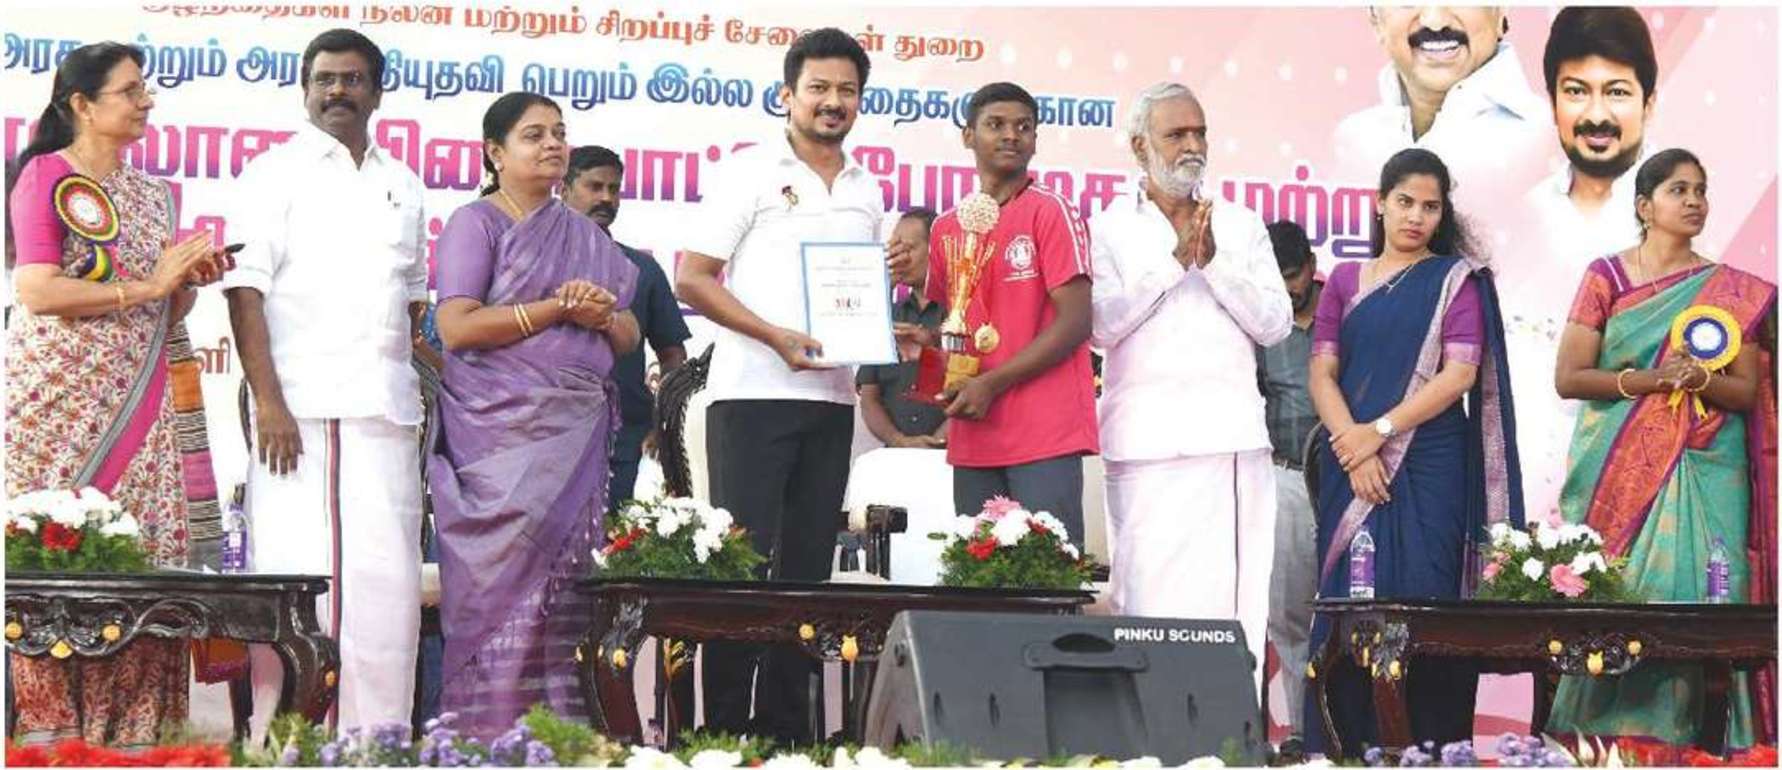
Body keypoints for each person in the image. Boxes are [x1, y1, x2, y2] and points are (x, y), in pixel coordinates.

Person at [5, 41, 229, 746]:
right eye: (130, 91)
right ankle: (51, 744)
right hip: (54, 407)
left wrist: (185, 284)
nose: (146, 101)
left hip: (142, 404)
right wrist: (151, 284)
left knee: (140, 568)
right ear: (82, 104)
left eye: (145, 88)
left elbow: (163, 308)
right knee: (54, 565)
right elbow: (39, 291)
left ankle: (134, 744)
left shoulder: (155, 195)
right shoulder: (44, 175)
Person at [673, 28, 885, 744]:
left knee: (805, 576)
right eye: (819, 88)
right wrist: (773, 336)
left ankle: (791, 737)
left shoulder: (866, 187)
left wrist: (886, 334)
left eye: (847, 90)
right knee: (742, 572)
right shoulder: (749, 171)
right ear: (787, 94)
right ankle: (724, 736)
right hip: (752, 398)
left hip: (831, 404)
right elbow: (693, 278)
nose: (833, 102)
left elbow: (853, 298)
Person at [223, 28, 429, 734]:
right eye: (325, 79)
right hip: (302, 418)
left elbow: (412, 302)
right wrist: (269, 402)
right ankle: (293, 745)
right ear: (305, 90)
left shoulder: (403, 183)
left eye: (352, 79)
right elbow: (243, 291)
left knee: (388, 595)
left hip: (387, 417)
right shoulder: (272, 174)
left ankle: (379, 744)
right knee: (301, 588)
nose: (338, 90)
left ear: (377, 92)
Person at [1546, 149, 1775, 757]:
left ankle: (1711, 745)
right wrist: (1652, 381)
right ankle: (1611, 748)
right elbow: (1570, 376)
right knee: (1626, 599)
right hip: (1620, 468)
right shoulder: (1607, 277)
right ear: (1645, 206)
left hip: (1709, 464)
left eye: (1701, 190)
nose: (1695, 201)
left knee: (1707, 595)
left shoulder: (1732, 291)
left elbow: (1745, 392)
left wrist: (1699, 380)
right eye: (1679, 190)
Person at [429, 92, 641, 740]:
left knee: (566, 595)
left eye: (558, 133)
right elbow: (456, 327)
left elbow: (627, 334)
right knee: (496, 593)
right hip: (498, 443)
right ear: (495, 153)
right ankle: (485, 738)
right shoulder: (476, 223)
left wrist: (601, 314)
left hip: (572, 444)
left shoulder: (585, 236)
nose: (552, 144)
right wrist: (556, 308)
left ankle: (558, 738)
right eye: (533, 135)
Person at [1302, 148, 1524, 755]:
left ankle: (1431, 750)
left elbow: (1458, 375)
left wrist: (1378, 431)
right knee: (1352, 602)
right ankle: (1344, 750)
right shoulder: (1343, 281)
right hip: (1351, 462)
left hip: (1430, 465)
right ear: (1380, 203)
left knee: (1427, 600)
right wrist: (1354, 446)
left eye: (1430, 206)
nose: (1416, 217)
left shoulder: (1455, 280)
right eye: (1405, 202)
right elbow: (1322, 372)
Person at [1089, 81, 1292, 697]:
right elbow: (1098, 326)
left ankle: (1225, 732)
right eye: (1176, 134)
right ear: (1139, 146)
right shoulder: (1106, 227)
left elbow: (1276, 323)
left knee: (1227, 616)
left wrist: (1215, 263)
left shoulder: (1240, 224)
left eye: (1199, 132)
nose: (1192, 145)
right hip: (1142, 445)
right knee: (1142, 603)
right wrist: (1173, 264)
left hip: (1225, 441)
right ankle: (1145, 735)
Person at [902, 82, 1097, 547]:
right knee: (977, 575)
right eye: (996, 124)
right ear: (968, 136)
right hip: (976, 433)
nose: (1011, 135)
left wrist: (991, 383)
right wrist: (929, 351)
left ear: (1035, 140)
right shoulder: (947, 227)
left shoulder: (1051, 211)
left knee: (1047, 573)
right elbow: (958, 327)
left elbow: (1076, 322)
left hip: (1043, 432)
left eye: (1023, 127)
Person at [1509, 8, 1660, 523]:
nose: (1596, 115)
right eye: (1576, 91)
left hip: (1641, 482)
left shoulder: (1679, 222)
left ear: (1649, 103)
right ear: (1552, 102)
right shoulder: (1519, 216)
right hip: (1525, 491)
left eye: (1616, 92)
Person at [562, 145, 691, 508]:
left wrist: (664, 423)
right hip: (548, 430)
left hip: (624, 437)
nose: (606, 198)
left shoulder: (641, 269)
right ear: (564, 189)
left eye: (614, 189)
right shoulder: (536, 261)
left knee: (615, 537)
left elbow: (673, 354)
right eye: (594, 186)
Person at [1333, 6, 1547, 195]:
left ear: (1500, 11)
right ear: (1375, 19)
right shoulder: (1355, 141)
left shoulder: (1545, 138)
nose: (1435, 21)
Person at [1258, 220, 1323, 753]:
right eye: (1275, 279)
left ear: (1312, 267)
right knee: (1290, 614)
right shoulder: (1262, 326)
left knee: (1353, 611)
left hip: (1351, 483)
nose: (1287, 289)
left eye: (1293, 275)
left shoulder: (1346, 314)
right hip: (1286, 479)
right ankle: (1302, 731)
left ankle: (1352, 729)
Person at [858, 208, 948, 449]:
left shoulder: (963, 315)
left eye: (907, 249)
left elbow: (976, 389)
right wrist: (900, 442)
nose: (899, 258)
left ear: (937, 250)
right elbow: (869, 397)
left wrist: (935, 443)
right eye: (894, 251)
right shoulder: (886, 315)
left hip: (952, 457)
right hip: (897, 457)